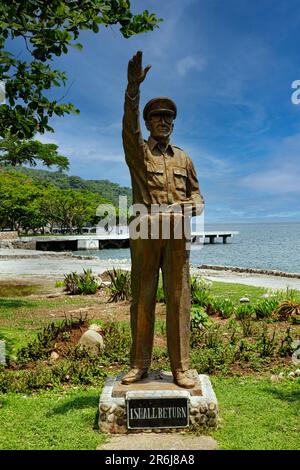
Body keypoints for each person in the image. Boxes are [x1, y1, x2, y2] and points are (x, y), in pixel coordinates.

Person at [121, 51, 204, 388]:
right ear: (149, 122)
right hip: (145, 229)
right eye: (157, 118)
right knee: (142, 296)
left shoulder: (184, 158)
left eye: (168, 118)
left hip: (177, 233)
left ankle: (181, 367)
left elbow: (198, 194)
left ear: (173, 123)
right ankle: (139, 365)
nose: (164, 122)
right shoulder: (139, 152)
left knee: (179, 297)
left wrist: (195, 205)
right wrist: (132, 90)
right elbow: (128, 127)